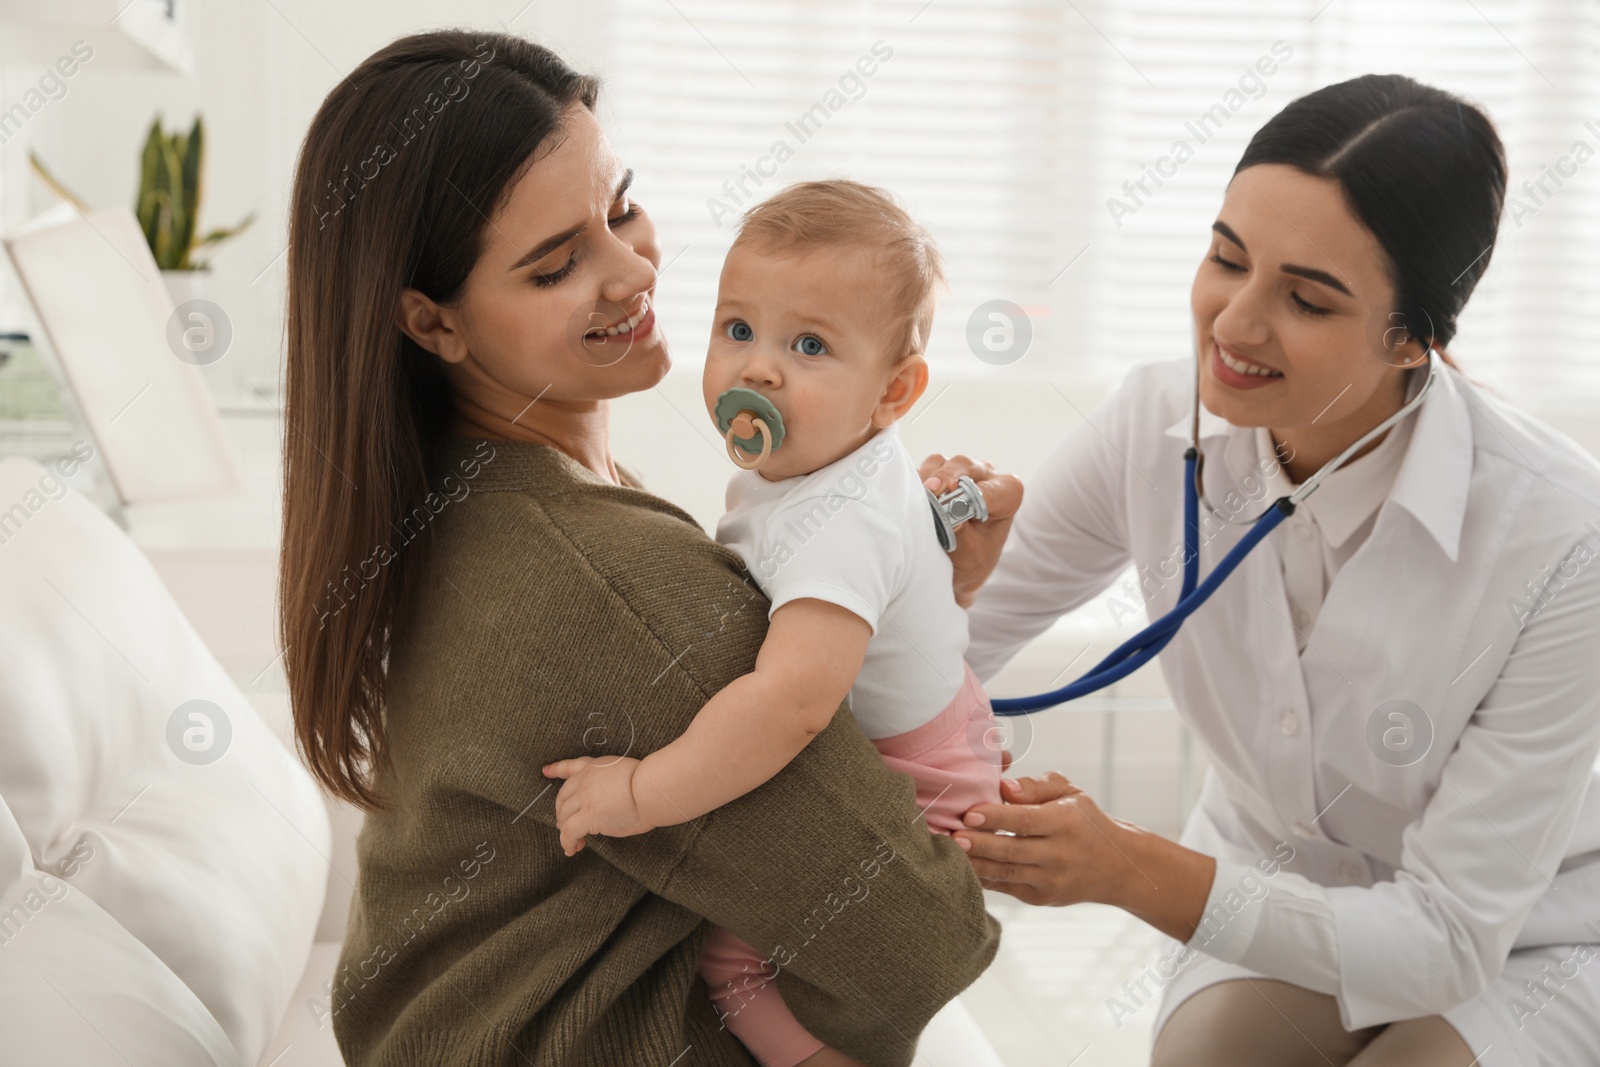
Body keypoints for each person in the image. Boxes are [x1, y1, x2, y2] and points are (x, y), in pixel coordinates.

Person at [276, 30, 1018, 1067]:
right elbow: (922, 943)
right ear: (433, 323)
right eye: (556, 264)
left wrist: (921, 578)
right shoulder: (605, 584)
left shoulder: (467, 498)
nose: (633, 268)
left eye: (620, 206)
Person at [925, 74, 1600, 1066]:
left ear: (1413, 338)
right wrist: (938, 576)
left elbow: (1448, 938)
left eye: (1305, 299)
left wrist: (1129, 866)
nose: (1233, 324)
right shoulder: (1148, 427)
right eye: (1225, 258)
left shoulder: (1561, 535)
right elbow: (934, 658)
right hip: (1270, 884)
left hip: (1530, 930)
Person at [542, 179, 1004, 1067]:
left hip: (924, 789)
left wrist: (641, 792)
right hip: (937, 741)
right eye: (738, 329)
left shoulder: (840, 521)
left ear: (893, 392)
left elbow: (791, 705)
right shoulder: (821, 470)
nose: (757, 368)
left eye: (810, 345)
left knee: (737, 961)